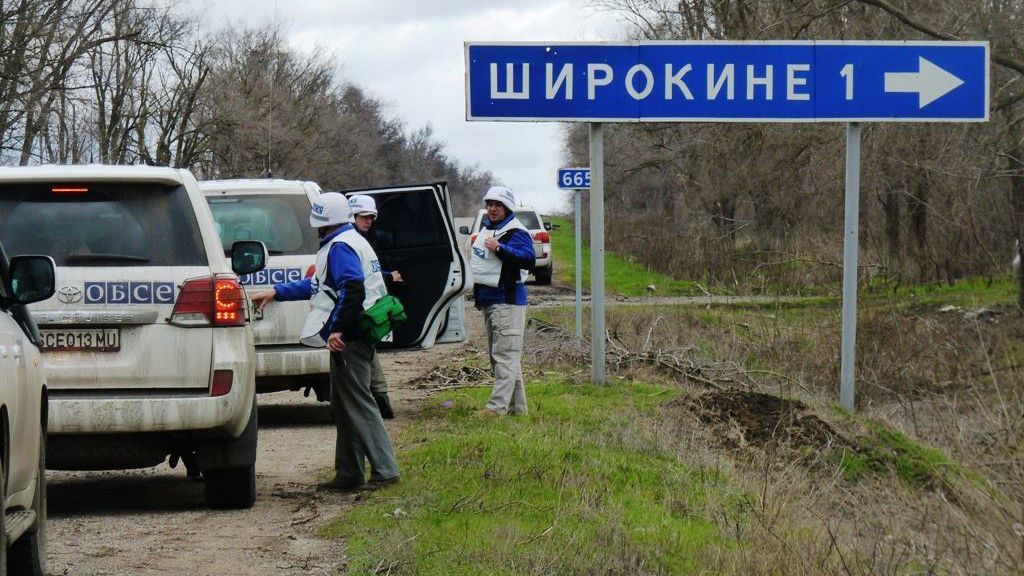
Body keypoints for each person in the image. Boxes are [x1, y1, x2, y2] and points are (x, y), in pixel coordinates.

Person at [250, 192, 399, 492]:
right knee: (345, 406)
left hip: (351, 336)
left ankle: (385, 471)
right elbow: (320, 285)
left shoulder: (340, 247)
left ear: (320, 220)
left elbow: (352, 288)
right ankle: (349, 473)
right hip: (362, 331)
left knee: (358, 403)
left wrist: (338, 330)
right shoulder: (350, 240)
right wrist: (277, 292)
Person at [469, 186, 535, 416]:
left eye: (497, 205)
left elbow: (529, 259)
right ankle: (517, 410)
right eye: (489, 204)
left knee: (504, 358)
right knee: (505, 358)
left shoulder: (516, 232)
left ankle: (496, 409)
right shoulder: (489, 229)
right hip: (491, 301)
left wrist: (500, 248)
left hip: (508, 301)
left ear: (507, 208)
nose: (492, 209)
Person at [348, 194, 399, 419]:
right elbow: (358, 276)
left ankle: (378, 397)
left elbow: (369, 272)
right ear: (352, 216)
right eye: (364, 217)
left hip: (368, 308)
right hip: (359, 307)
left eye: (371, 217)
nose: (368, 221)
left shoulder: (361, 240)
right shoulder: (350, 242)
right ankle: (379, 397)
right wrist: (389, 276)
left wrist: (387, 276)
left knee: (367, 350)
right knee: (366, 351)